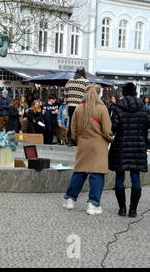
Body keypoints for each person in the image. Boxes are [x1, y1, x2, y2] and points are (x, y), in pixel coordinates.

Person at [63, 85, 114, 215]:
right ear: (99, 94)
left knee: (79, 172)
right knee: (97, 174)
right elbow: (107, 130)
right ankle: (93, 204)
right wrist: (110, 139)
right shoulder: (102, 108)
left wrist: (78, 139)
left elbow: (73, 130)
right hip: (99, 146)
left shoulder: (79, 108)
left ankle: (70, 199)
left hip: (83, 144)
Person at [108, 83, 150, 217]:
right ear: (135, 93)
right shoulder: (144, 108)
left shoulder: (118, 108)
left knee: (120, 176)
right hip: (138, 146)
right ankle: (133, 210)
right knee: (135, 176)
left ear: (124, 93)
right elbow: (147, 125)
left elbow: (113, 128)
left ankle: (122, 208)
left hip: (121, 146)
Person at [64, 67, 90, 146]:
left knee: (72, 122)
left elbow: (65, 95)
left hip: (70, 106)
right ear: (84, 73)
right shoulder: (86, 82)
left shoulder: (69, 81)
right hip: (80, 106)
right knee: (80, 123)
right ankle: (77, 140)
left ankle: (70, 140)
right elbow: (88, 95)